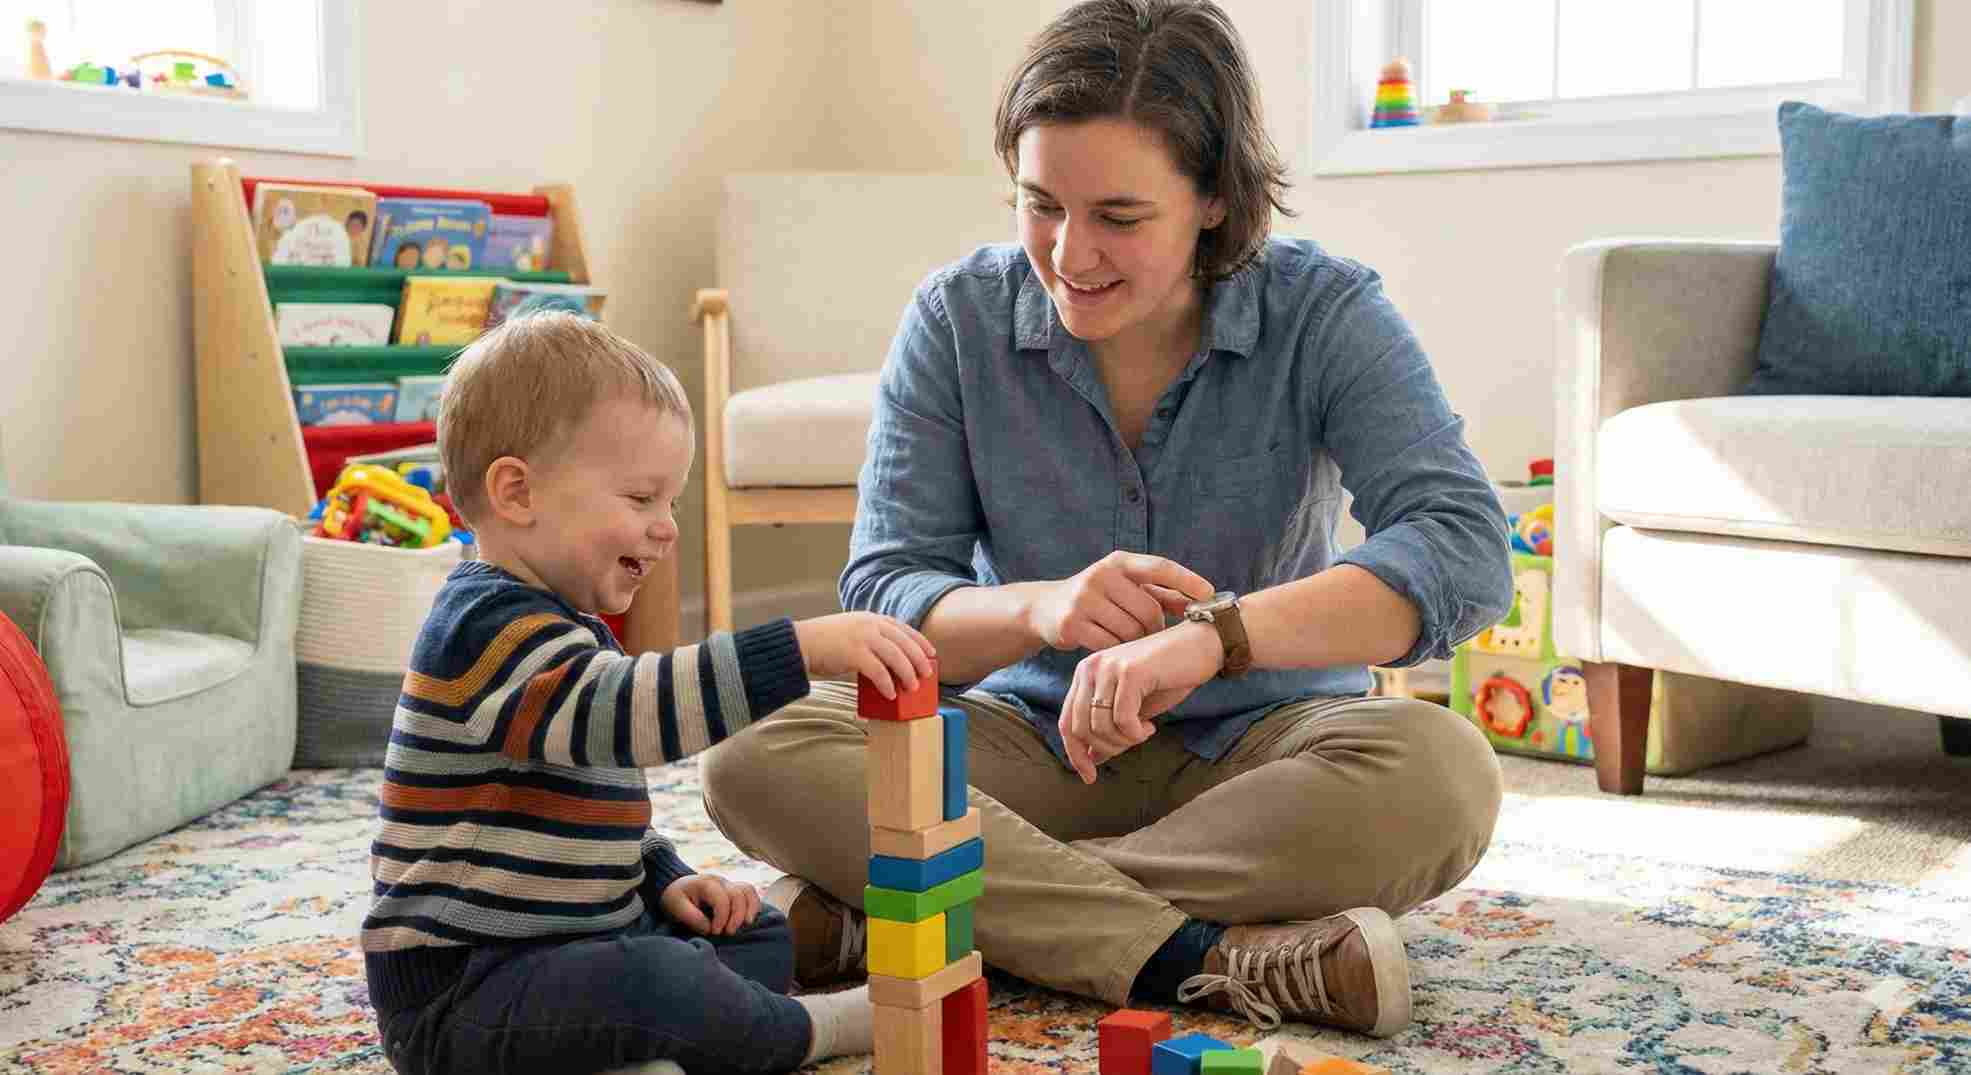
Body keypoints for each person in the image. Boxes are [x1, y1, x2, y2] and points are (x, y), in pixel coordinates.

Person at [702, 0, 1514, 1041]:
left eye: (1118, 217)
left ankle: (916, 913)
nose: (1069, 252)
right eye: (1040, 204)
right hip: (1023, 744)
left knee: (1442, 773)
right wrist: (1039, 609)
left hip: (1266, 753)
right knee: (754, 743)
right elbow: (887, 586)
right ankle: (1201, 956)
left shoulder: (1326, 312)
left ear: (1215, 199)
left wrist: (1214, 637)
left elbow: (1461, 544)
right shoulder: (956, 318)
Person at [360, 313, 937, 1075]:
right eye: (640, 498)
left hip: (575, 948)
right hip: (465, 989)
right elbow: (625, 717)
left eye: (670, 503)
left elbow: (592, 814)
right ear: (517, 492)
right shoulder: (482, 628)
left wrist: (667, 879)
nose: (665, 528)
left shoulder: (568, 628)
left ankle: (649, 1042)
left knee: (753, 933)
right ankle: (809, 1029)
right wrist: (797, 649)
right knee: (656, 982)